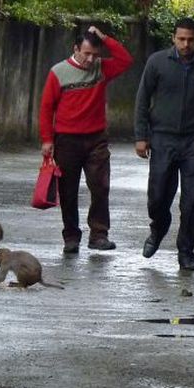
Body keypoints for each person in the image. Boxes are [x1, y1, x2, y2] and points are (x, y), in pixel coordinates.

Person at [39, 26, 134, 254]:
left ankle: (99, 234)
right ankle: (71, 236)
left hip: (96, 138)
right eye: (86, 53)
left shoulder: (102, 69)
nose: (91, 59)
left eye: (95, 54)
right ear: (75, 49)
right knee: (68, 191)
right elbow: (46, 108)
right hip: (66, 139)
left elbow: (125, 60)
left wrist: (104, 38)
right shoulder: (58, 72)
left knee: (100, 186)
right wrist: (47, 140)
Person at [134, 18, 194, 271]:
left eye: (191, 39)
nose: (186, 44)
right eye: (181, 39)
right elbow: (142, 99)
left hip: (193, 140)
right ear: (173, 38)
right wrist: (141, 136)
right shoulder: (157, 62)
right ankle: (158, 229)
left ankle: (186, 252)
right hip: (162, 138)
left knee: (191, 201)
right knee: (157, 196)